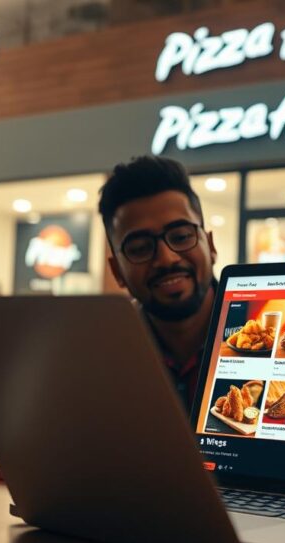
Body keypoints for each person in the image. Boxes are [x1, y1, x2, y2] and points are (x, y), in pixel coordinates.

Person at [98, 156, 218, 412]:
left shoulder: (273, 334)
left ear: (210, 246)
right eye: (140, 248)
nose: (166, 259)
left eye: (181, 236)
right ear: (117, 271)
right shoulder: (102, 359)